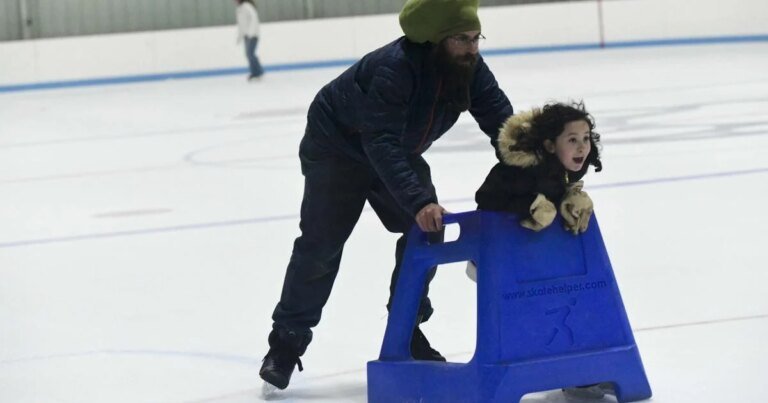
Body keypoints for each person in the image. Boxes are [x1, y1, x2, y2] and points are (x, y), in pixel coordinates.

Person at [259, 0, 514, 391]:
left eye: (476, 37)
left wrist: (532, 162)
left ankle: (406, 331)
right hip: (337, 150)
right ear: (436, 40)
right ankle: (285, 345)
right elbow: (379, 141)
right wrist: (417, 201)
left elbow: (500, 119)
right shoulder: (395, 67)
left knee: (426, 233)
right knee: (321, 245)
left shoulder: (468, 68)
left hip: (393, 150)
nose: (472, 47)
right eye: (462, 39)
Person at [235, 0, 263, 81]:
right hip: (247, 35)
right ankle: (256, 72)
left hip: (253, 34)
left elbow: (254, 18)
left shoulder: (247, 6)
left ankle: (257, 72)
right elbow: (241, 24)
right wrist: (240, 36)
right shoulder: (239, 9)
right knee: (249, 54)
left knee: (250, 54)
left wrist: (252, 32)